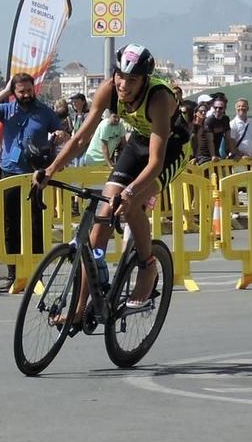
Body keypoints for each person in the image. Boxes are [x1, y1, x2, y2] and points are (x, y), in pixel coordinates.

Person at [35, 44, 190, 320]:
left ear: (143, 80)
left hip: (170, 149)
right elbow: (81, 138)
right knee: (99, 225)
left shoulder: (159, 98)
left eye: (132, 80)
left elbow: (155, 163)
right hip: (138, 144)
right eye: (120, 76)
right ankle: (80, 309)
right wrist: (51, 170)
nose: (124, 85)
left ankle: (148, 265)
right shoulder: (108, 89)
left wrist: (131, 193)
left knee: (131, 205)